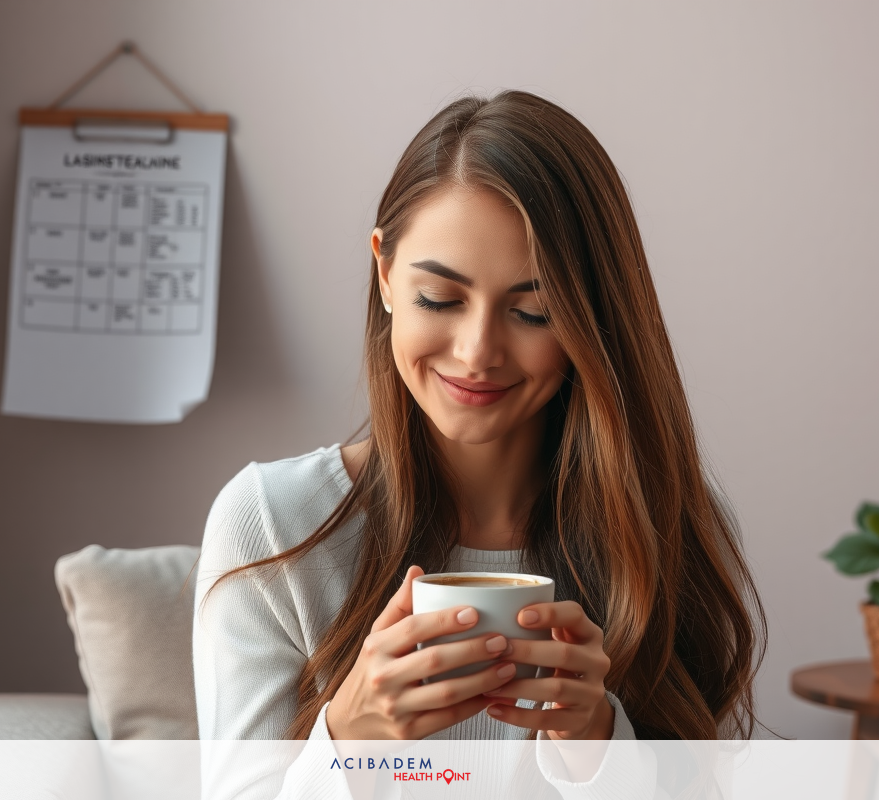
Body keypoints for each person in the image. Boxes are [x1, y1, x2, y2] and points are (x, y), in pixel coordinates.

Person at [194, 91, 765, 761]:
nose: (476, 353)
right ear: (383, 272)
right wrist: (346, 737)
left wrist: (599, 745)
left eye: (534, 312)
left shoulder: (659, 516)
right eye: (440, 298)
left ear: (593, 321)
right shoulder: (272, 524)